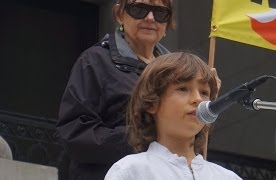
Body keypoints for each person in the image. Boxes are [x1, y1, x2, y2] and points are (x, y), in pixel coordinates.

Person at [55, 0, 176, 179]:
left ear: (168, 23)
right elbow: (73, 133)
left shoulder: (179, 74)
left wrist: (206, 94)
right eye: (138, 9)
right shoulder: (94, 61)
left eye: (160, 13)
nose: (150, 18)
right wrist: (141, 137)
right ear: (120, 14)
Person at [104, 52, 241, 180]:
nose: (198, 99)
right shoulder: (130, 171)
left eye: (204, 92)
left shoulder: (228, 177)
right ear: (152, 103)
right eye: (182, 89)